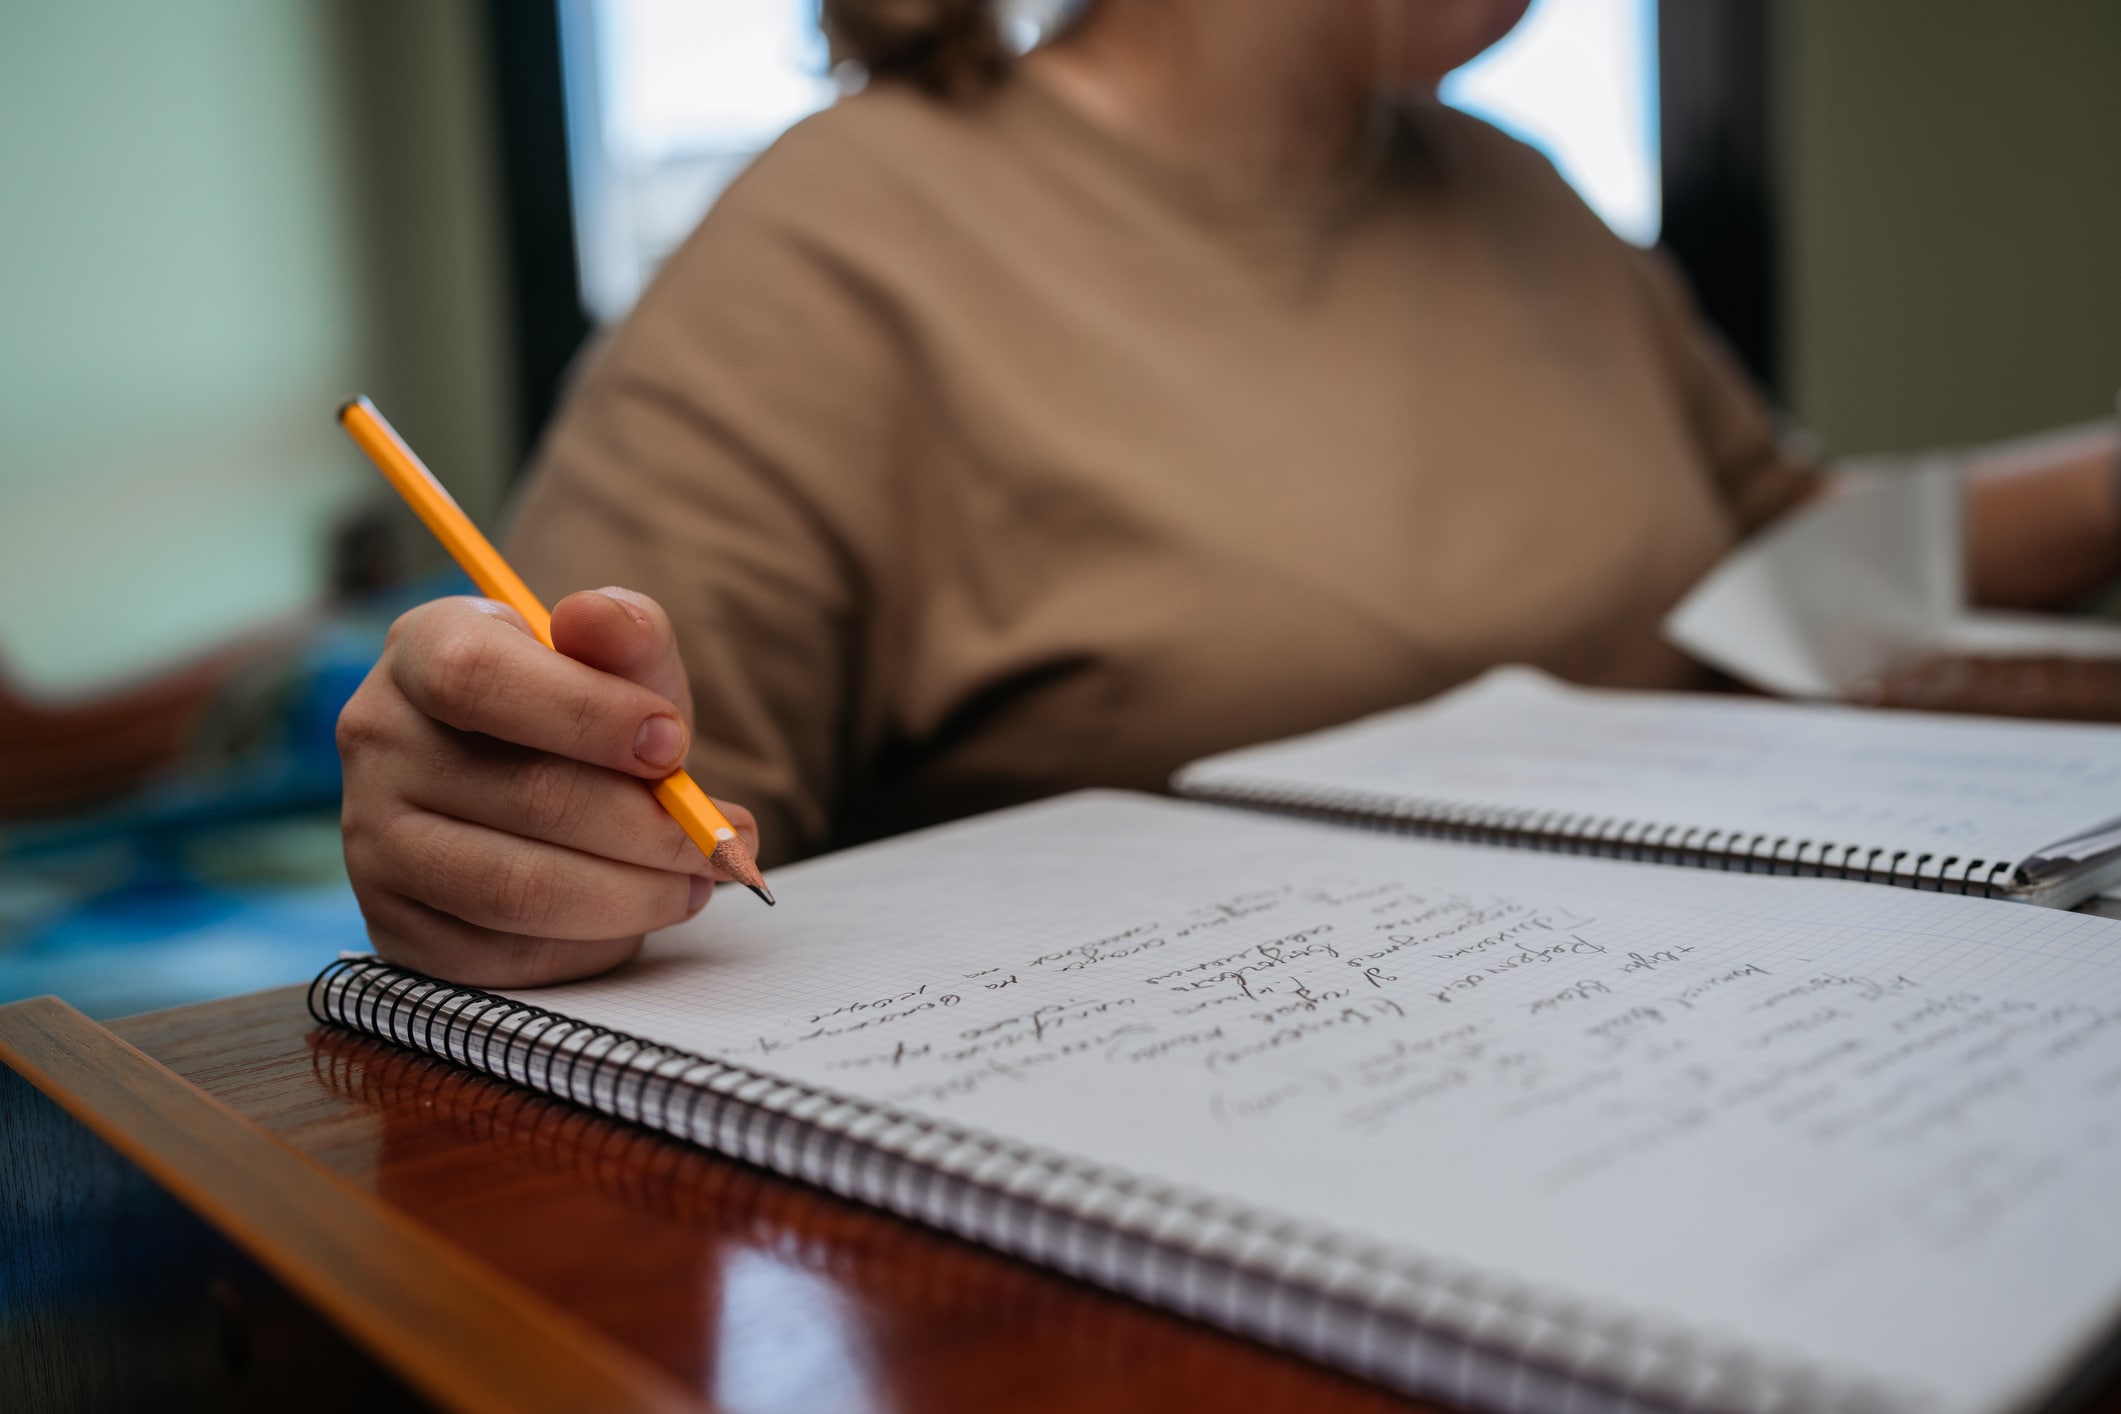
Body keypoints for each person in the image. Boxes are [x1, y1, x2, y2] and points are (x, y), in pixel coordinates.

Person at [334, 0, 2121, 988]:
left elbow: (1780, 559)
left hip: (1712, 1055)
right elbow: (639, 791)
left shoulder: (1520, 195)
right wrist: (497, 815)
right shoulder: (842, 238)